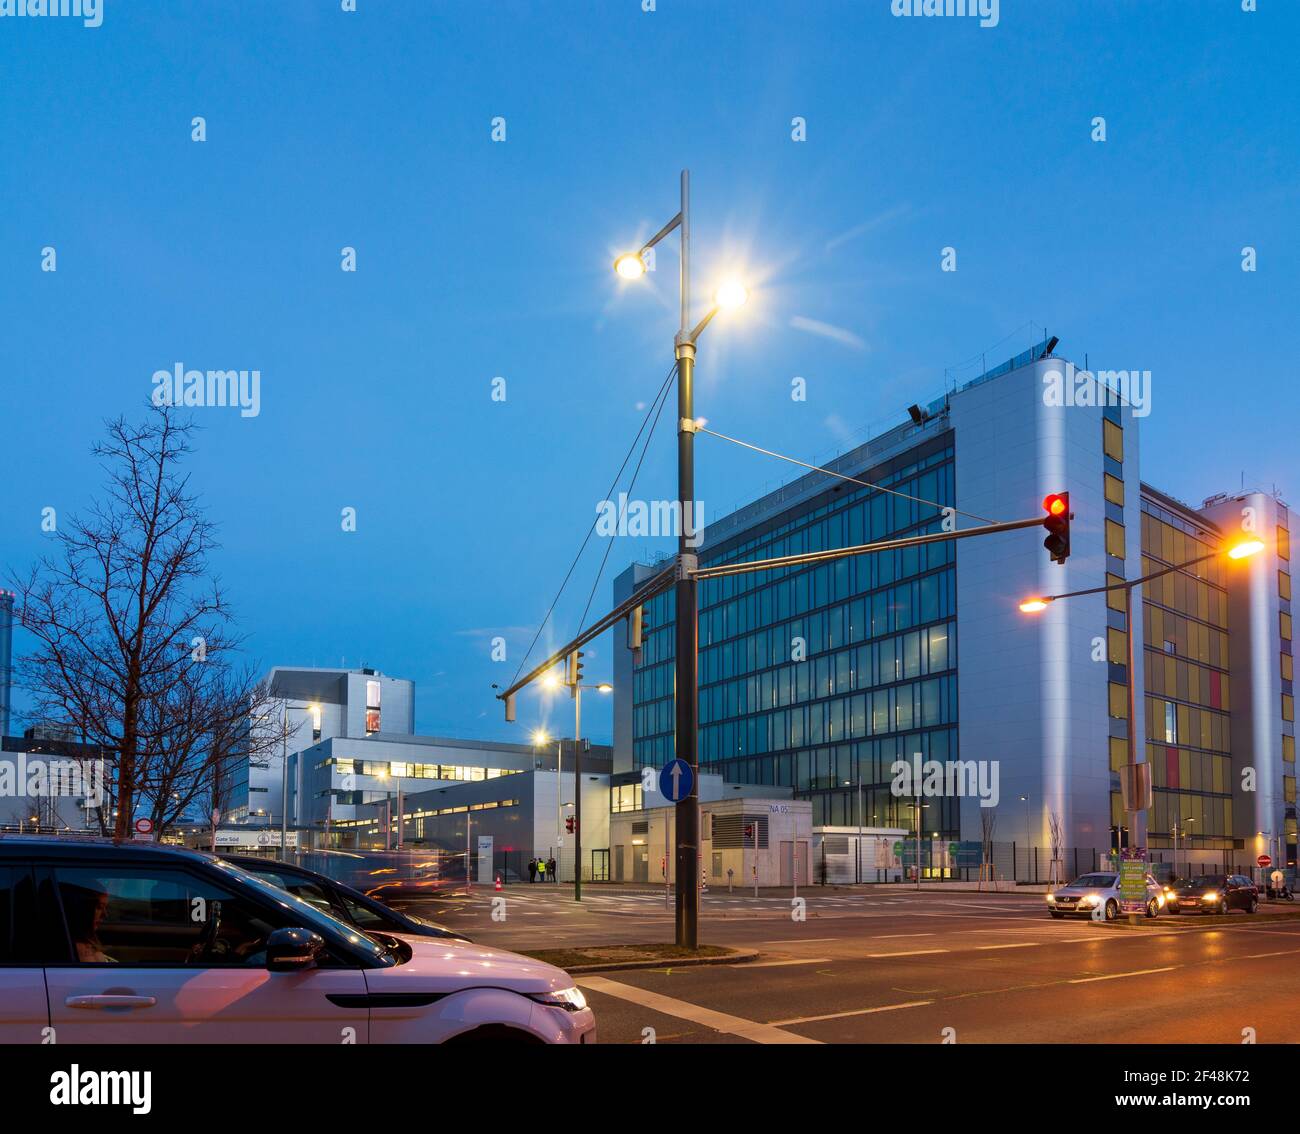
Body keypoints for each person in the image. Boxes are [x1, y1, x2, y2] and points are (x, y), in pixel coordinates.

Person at [64, 884, 115, 963]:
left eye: (105, 907)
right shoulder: (76, 949)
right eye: (99, 907)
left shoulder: (85, 943)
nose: (105, 914)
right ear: (82, 909)